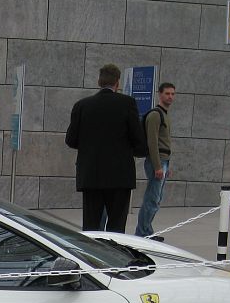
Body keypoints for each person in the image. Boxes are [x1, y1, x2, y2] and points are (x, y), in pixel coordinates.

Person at [65, 63, 146, 233]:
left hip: (91, 174)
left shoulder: (82, 105)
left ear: (99, 82)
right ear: (117, 83)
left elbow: (71, 140)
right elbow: (138, 139)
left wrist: (89, 148)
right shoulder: (127, 103)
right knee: (117, 227)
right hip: (119, 175)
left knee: (91, 226)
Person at [136, 82, 177, 240]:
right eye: (167, 93)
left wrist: (167, 165)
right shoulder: (155, 115)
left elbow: (165, 142)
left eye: (172, 94)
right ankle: (143, 232)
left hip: (163, 160)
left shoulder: (165, 114)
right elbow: (152, 142)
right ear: (160, 94)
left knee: (156, 198)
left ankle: (146, 230)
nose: (170, 96)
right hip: (157, 161)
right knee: (152, 198)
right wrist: (158, 166)